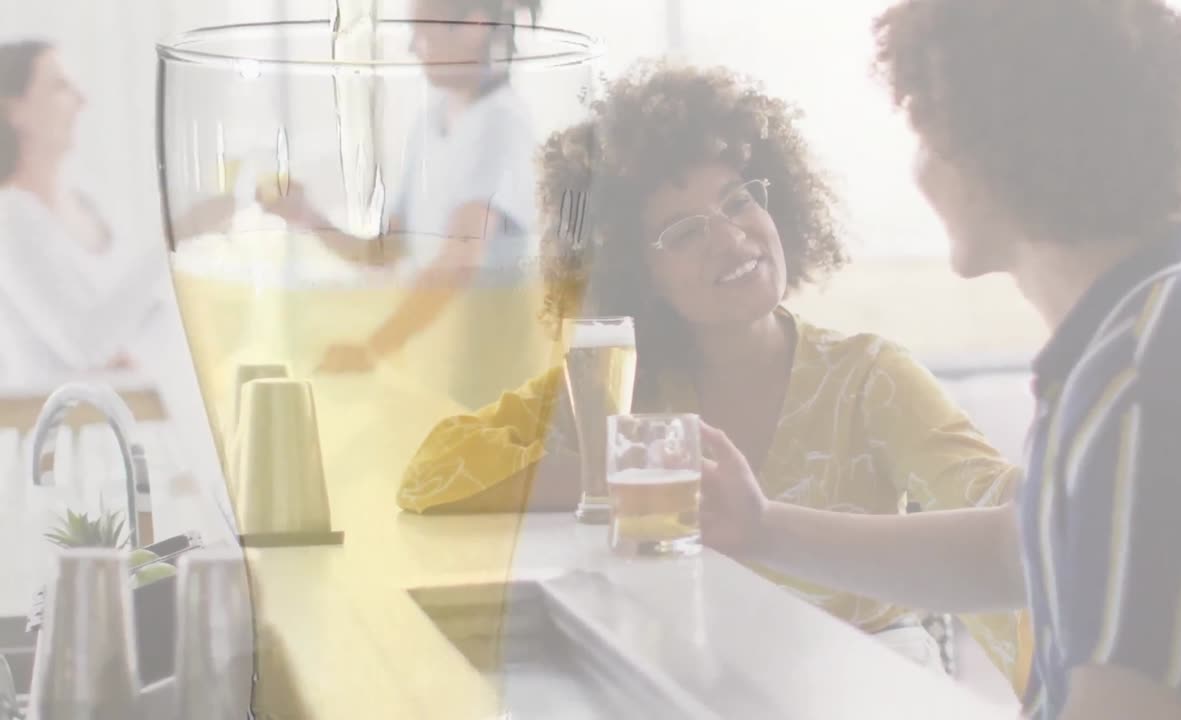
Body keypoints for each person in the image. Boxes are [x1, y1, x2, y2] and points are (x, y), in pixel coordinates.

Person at [698, 1, 1181, 718]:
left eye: (925, 134)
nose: (918, 174)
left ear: (1002, 148)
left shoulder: (1146, 388)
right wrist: (762, 527)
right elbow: (1019, 553)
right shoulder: (1161, 328)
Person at [396, 61, 1032, 683]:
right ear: (635, 276)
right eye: (683, 233)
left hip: (859, 685)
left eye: (738, 201)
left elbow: (1025, 529)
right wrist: (620, 474)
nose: (730, 240)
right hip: (691, 683)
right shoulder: (621, 384)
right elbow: (433, 473)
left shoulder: (870, 378)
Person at [260, 0, 542, 411]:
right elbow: (384, 253)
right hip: (437, 375)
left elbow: (458, 262)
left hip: (492, 378)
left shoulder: (501, 124)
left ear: (476, 26)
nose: (414, 48)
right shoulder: (428, 126)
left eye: (423, 33)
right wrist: (307, 216)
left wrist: (373, 348)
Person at [0, 39, 232, 385]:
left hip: (130, 420)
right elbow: (85, 344)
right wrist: (175, 236)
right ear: (12, 110)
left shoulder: (90, 203)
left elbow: (149, 321)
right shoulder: (12, 219)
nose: (81, 101)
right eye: (60, 87)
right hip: (60, 433)